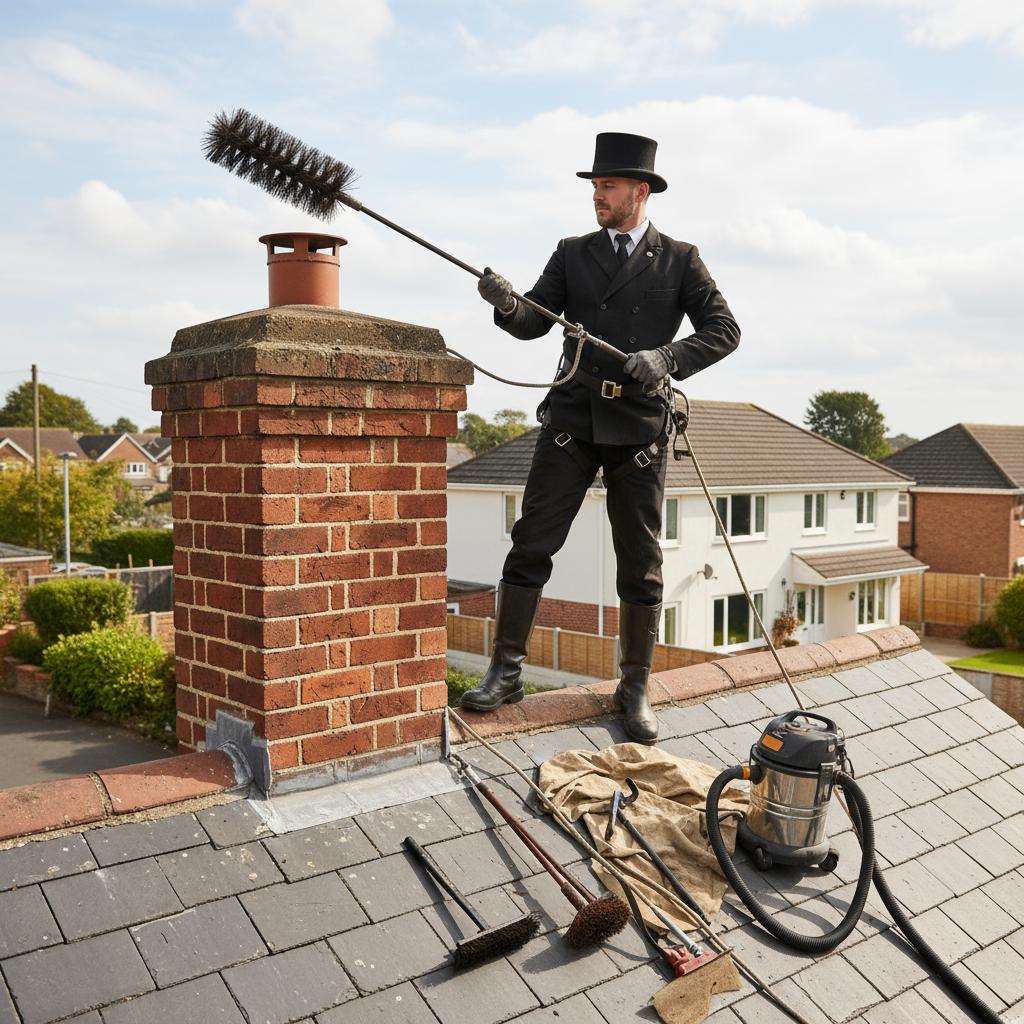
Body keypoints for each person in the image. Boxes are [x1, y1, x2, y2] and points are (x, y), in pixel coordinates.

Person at [460, 132, 740, 743]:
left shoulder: (681, 259)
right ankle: (505, 672)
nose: (597, 196)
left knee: (641, 565)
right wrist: (506, 305)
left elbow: (724, 330)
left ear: (640, 191)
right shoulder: (572, 252)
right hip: (572, 422)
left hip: (638, 428)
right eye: (593, 186)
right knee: (531, 543)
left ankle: (633, 685)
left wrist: (667, 357)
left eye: (607, 186)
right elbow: (537, 321)